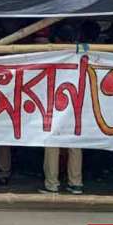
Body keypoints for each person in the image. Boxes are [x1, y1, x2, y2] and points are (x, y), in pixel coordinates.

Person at [39, 24, 83, 195]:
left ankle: (51, 184)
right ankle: (76, 182)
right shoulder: (81, 53)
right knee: (75, 142)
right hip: (77, 102)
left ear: (57, 38)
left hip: (54, 102)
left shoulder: (52, 53)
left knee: (52, 142)